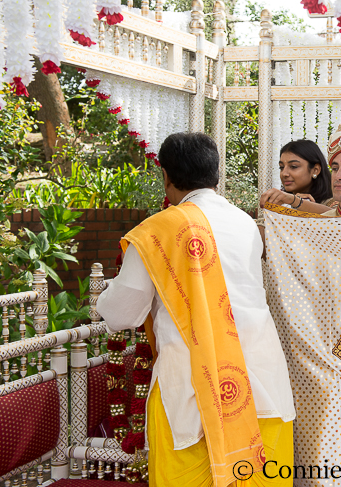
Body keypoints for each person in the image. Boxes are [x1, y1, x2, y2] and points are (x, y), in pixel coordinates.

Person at [96, 133, 295, 487]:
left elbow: (121, 314)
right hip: (260, 382)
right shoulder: (247, 224)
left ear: (166, 177)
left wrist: (106, 294)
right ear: (216, 175)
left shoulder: (158, 230)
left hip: (189, 389)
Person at [260, 115, 341, 216]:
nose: (338, 176)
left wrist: (295, 202)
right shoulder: (282, 206)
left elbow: (335, 217)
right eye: (335, 169)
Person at [278, 139, 333, 205]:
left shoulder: (334, 205)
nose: (284, 174)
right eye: (281, 167)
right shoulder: (280, 203)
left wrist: (300, 204)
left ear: (315, 170)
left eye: (293, 166)